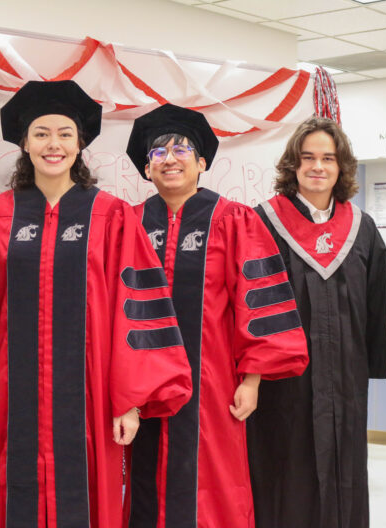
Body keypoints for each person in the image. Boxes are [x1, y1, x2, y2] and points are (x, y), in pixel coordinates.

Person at [0, 81, 193, 528]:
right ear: (24, 143)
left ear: (80, 143)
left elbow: (137, 310)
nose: (54, 144)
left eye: (65, 133)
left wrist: (128, 401)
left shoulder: (111, 216)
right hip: (10, 394)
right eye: (41, 133)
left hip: (90, 394)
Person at [124, 104, 309, 528]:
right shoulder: (130, 223)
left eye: (181, 149)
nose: (169, 158)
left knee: (215, 482)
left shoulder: (233, 220)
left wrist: (252, 379)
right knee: (146, 481)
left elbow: (257, 302)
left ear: (202, 161)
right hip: (145, 386)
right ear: (146, 168)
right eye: (157, 152)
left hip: (213, 383)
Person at [246, 116, 386, 528]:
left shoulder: (361, 228)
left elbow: (377, 299)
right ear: (292, 166)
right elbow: (246, 305)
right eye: (307, 157)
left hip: (346, 379)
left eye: (328, 158)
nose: (318, 167)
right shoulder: (262, 223)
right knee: (286, 468)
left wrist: (371, 365)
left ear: (341, 167)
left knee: (346, 467)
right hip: (283, 385)